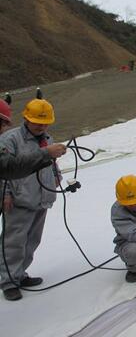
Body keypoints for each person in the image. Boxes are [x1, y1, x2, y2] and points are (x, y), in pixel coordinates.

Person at [0, 98, 62, 301]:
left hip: (41, 198)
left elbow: (50, 162)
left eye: (45, 123)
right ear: (26, 118)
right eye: (37, 122)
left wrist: (56, 177)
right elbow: (5, 169)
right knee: (13, 243)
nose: (41, 126)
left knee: (32, 241)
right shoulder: (10, 139)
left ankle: (20, 275)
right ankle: (8, 281)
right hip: (19, 200)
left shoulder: (47, 139)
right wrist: (6, 193)